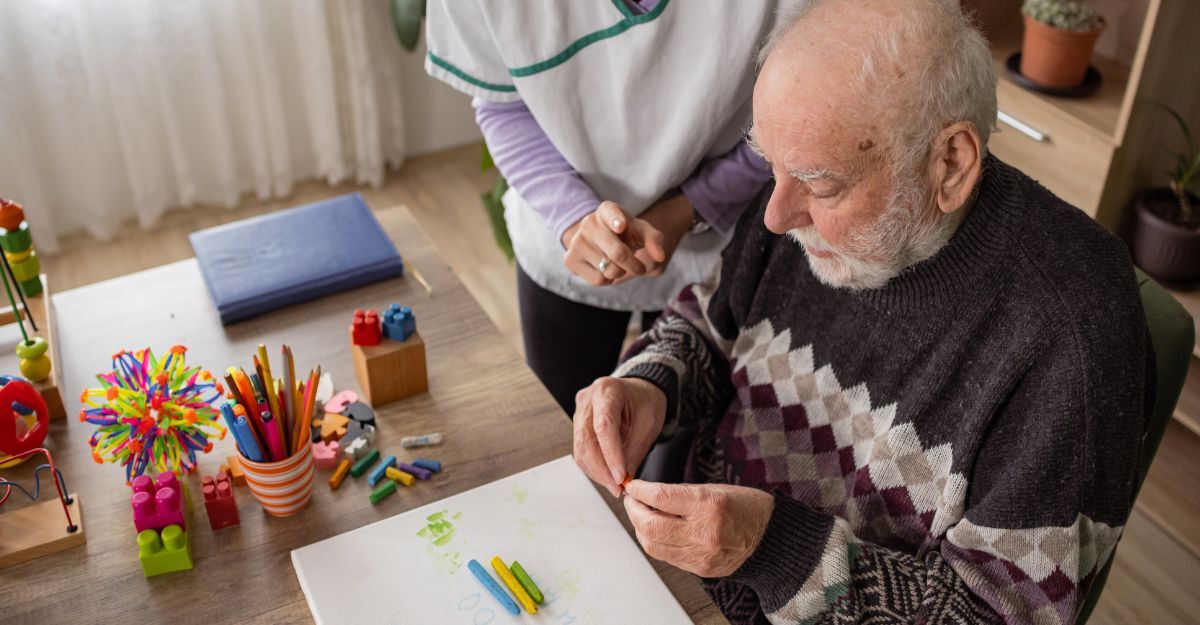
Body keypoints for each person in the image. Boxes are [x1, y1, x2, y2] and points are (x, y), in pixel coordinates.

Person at [571, 0, 1153, 623]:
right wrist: (651, 384)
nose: (775, 215)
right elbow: (707, 323)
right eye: (771, 166)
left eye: (823, 186)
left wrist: (770, 550)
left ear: (950, 164)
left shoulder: (1074, 337)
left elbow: (995, 615)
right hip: (675, 583)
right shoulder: (801, 192)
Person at [424, 0, 776, 415]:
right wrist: (573, 216)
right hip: (562, 241)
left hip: (725, 245)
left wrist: (692, 207)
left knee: (683, 448)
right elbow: (504, 105)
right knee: (564, 430)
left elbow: (803, 106)